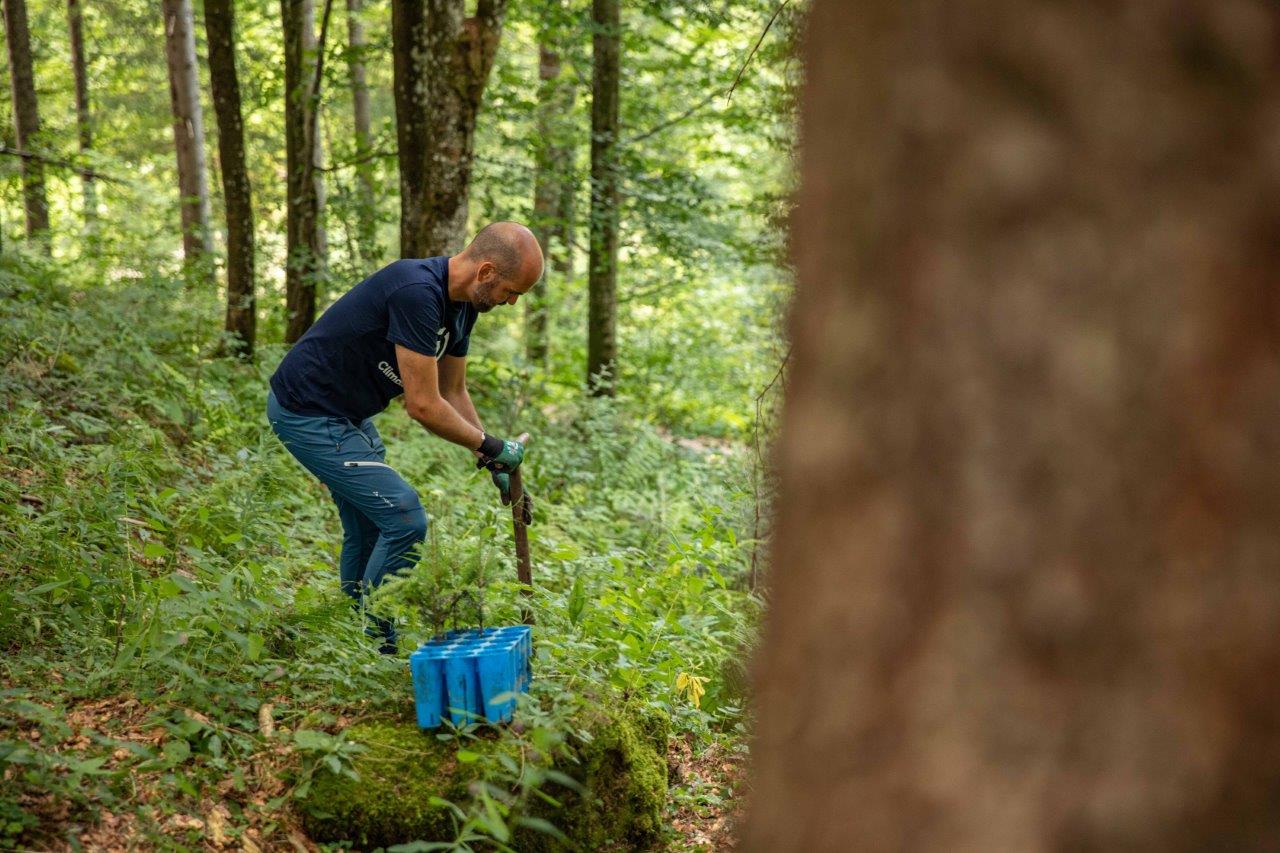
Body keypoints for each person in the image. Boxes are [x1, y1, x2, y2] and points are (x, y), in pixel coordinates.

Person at [265, 222, 543, 654]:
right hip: (308, 411)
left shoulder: (463, 307)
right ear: (486, 271)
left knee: (370, 526)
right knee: (403, 516)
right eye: (512, 291)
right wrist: (492, 446)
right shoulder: (416, 292)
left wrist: (490, 457)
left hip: (349, 415)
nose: (510, 303)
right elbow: (423, 405)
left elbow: (453, 391)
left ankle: (354, 639)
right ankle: (380, 645)